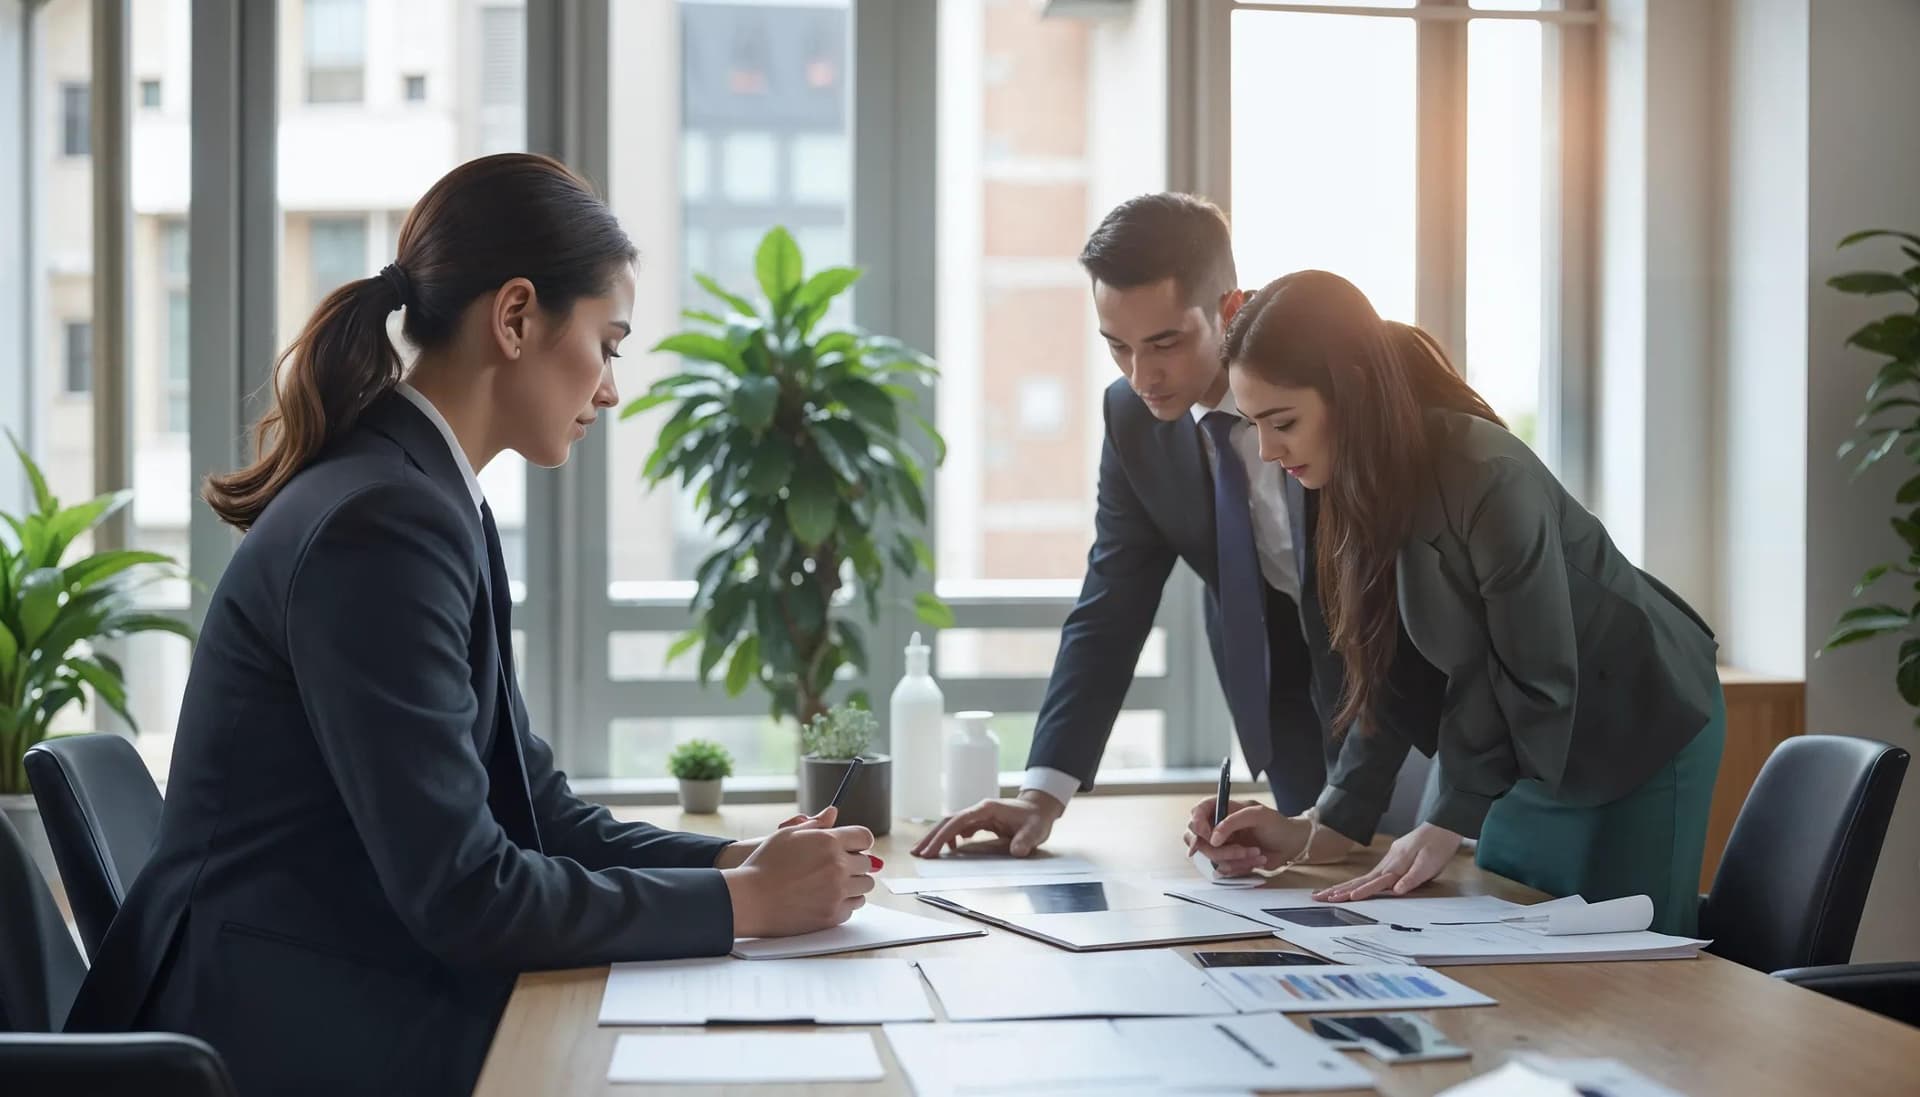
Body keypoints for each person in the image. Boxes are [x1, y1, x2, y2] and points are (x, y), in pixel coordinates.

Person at [62, 153, 877, 1096]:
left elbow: (538, 812)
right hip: (284, 1028)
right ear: (517, 316)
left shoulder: (425, 498)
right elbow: (464, 891)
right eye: (608, 344)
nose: (611, 388)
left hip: (330, 987)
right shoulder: (384, 522)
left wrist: (739, 860)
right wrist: (741, 903)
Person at [1184, 270, 1724, 936]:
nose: (1266, 450)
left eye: (1283, 422)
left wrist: (1444, 817)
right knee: (1514, 954)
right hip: (1528, 747)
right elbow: (1383, 673)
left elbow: (1534, 668)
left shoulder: (1484, 473)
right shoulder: (1350, 478)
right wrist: (1311, 829)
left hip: (1636, 724)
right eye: (1254, 424)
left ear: (1349, 390)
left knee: (1629, 968)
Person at [916, 194, 1366, 861]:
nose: (1141, 375)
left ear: (1231, 309)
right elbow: (1111, 605)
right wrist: (1041, 794)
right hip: (1281, 697)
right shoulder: (1131, 417)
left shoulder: (1329, 374)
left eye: (1165, 344)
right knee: (1327, 900)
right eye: (1117, 346)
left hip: (1394, 683)